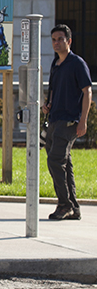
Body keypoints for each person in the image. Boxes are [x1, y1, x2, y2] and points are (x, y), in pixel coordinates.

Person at [42, 24, 92, 221]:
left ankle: (64, 205)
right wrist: (48, 105)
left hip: (69, 121)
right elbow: (53, 90)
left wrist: (83, 121)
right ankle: (73, 208)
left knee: (55, 160)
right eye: (53, 39)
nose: (56, 43)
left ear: (69, 41)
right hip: (54, 118)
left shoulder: (77, 63)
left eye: (60, 39)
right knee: (64, 163)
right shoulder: (56, 64)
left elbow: (87, 91)